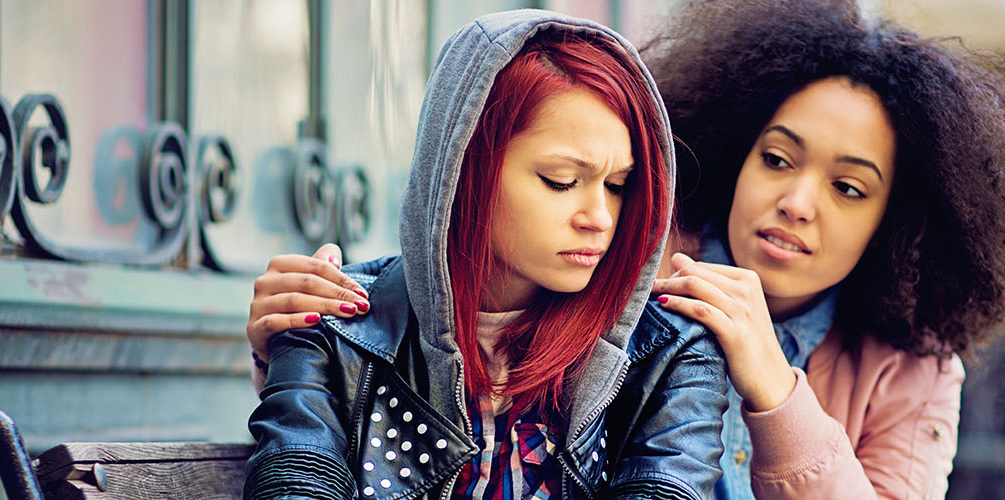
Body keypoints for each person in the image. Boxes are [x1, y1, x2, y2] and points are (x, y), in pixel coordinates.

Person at [248, 1, 1005, 498]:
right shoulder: (617, 272)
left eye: (849, 187)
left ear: (899, 221)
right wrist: (295, 340)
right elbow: (440, 320)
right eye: (776, 158)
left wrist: (775, 389)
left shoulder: (913, 369)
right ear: (733, 152)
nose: (797, 203)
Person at [244, 11, 726, 500]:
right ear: (463, 167)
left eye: (618, 186)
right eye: (561, 180)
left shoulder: (668, 351)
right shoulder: (337, 325)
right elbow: (295, 481)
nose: (599, 216)